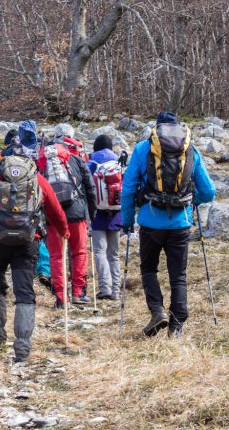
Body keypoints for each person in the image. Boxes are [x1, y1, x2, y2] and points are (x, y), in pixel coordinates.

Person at [0, 149, 69, 363]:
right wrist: (64, 230)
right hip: (27, 242)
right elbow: (55, 208)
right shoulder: (35, 177)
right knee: (24, 292)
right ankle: (22, 347)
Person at [120, 111, 216, 338]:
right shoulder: (190, 149)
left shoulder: (144, 149)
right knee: (178, 275)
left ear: (157, 128)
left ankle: (157, 311)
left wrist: (126, 221)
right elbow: (209, 191)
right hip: (180, 223)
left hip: (150, 221)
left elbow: (128, 189)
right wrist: (192, 203)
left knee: (148, 269)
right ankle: (177, 324)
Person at [39, 123, 96, 307]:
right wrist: (91, 215)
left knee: (56, 257)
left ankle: (62, 298)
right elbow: (90, 189)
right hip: (77, 213)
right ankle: (78, 292)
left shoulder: (43, 162)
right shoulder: (76, 159)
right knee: (79, 253)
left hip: (53, 215)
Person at [88, 134, 127, 300]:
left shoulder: (91, 163)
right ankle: (116, 291)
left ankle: (105, 289)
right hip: (117, 213)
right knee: (114, 254)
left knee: (99, 252)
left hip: (97, 213)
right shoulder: (119, 163)